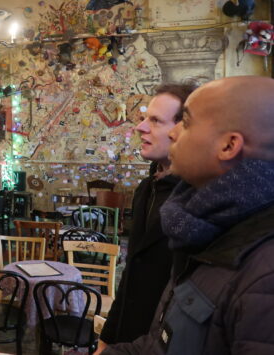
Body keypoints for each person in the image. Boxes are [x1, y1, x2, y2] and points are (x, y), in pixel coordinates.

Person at [104, 76, 274, 354]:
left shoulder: (262, 269)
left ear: (229, 146)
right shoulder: (197, 223)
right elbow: (160, 344)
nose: (174, 133)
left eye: (188, 121)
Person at [97, 83, 196, 350]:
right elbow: (131, 276)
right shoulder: (146, 189)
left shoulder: (199, 200)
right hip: (128, 340)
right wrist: (107, 337)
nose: (140, 128)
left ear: (183, 130)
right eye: (143, 119)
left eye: (154, 120)